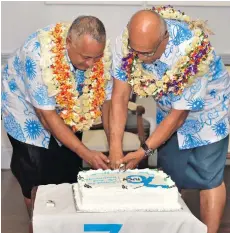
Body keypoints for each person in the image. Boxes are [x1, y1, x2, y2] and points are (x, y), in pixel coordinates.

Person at [109, 6, 230, 233]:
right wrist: (115, 147)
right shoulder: (126, 44)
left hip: (209, 111)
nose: (140, 59)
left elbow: (180, 115)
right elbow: (120, 96)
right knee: (171, 172)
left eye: (146, 53)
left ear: (164, 39)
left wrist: (143, 150)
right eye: (135, 52)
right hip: (168, 107)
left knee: (208, 176)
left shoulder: (191, 50)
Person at [1, 16, 112, 214]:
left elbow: (108, 104)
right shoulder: (36, 54)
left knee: (68, 168)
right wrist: (87, 153)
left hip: (66, 108)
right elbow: (47, 117)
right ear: (68, 42)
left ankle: (64, 220)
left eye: (96, 57)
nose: (91, 63)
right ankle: (37, 221)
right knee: (35, 172)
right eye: (85, 57)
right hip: (24, 111)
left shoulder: (99, 54)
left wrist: (114, 146)